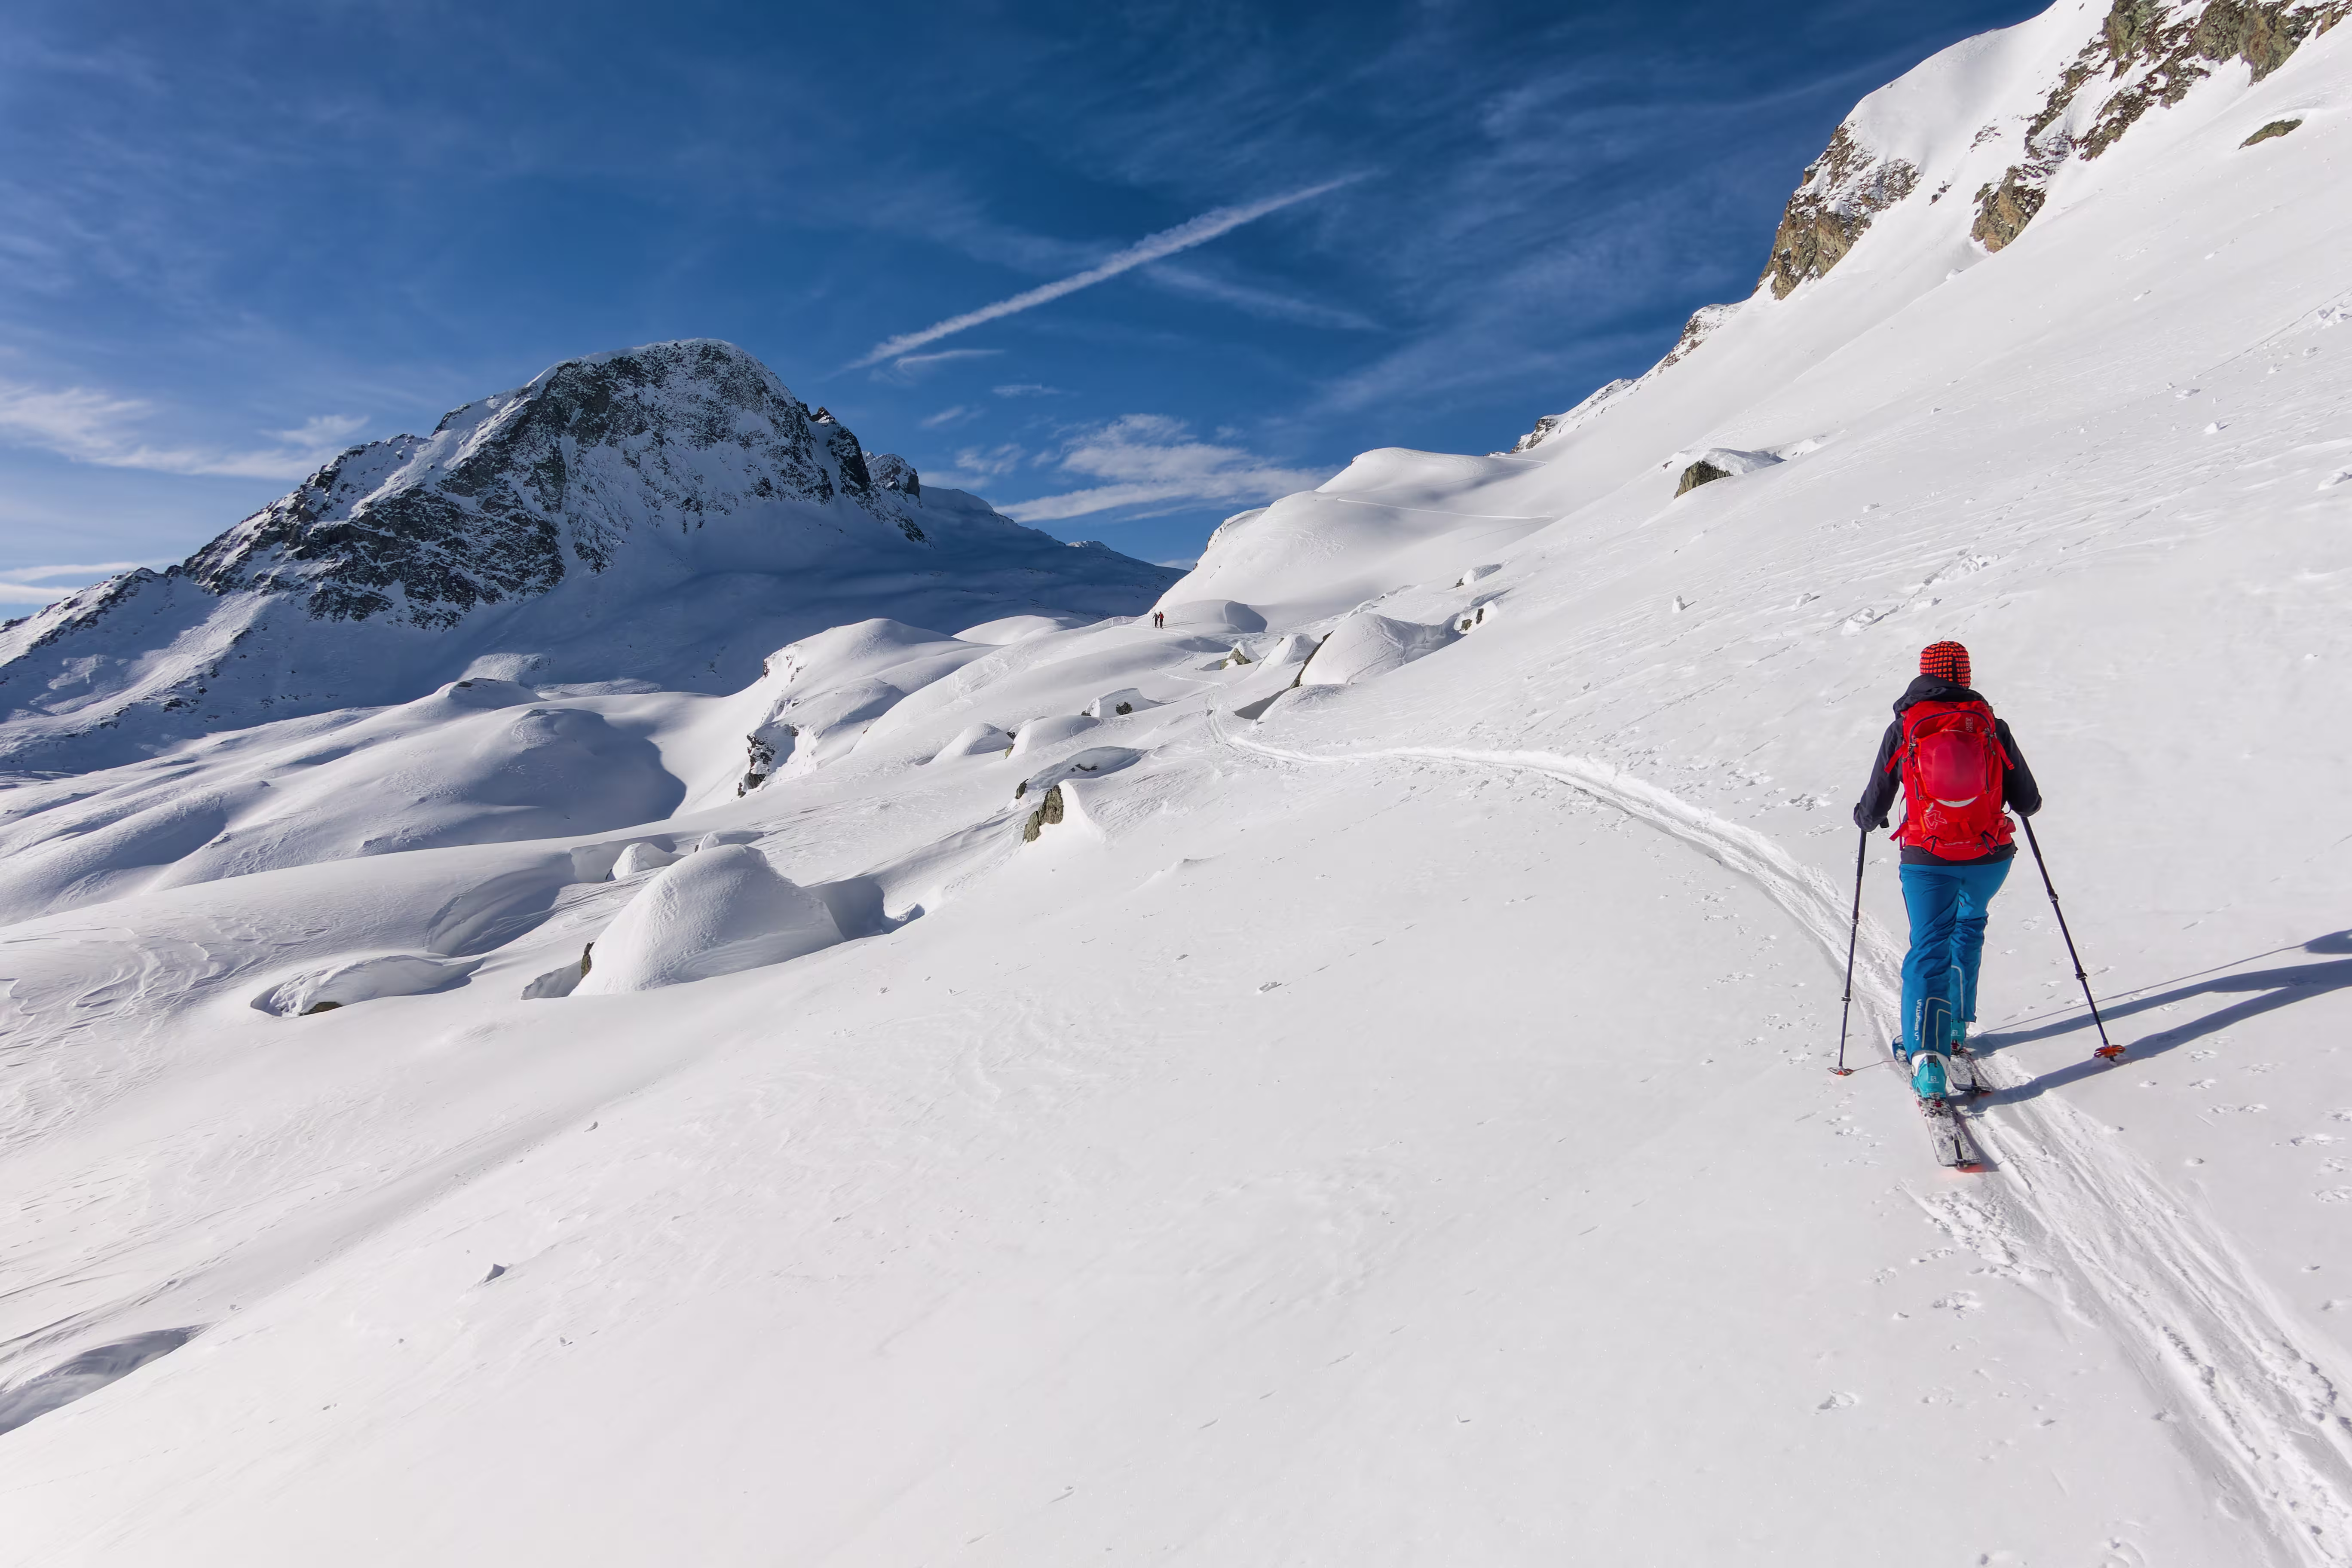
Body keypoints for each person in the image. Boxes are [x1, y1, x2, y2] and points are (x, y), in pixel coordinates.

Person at [1852, 641, 2041, 1100]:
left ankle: (1928, 1061)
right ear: (1967, 676)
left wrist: (1867, 818)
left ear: (1924, 674)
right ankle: (1955, 1027)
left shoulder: (1905, 726)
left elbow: (1876, 800)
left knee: (1929, 947)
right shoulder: (1991, 725)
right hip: (1989, 856)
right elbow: (2029, 801)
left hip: (1929, 859)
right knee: (1968, 928)